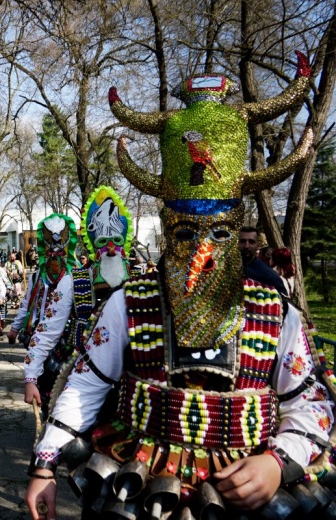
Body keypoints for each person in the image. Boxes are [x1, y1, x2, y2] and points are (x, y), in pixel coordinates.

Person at [27, 55, 328, 519]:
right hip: (140, 485)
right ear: (169, 232)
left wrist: (277, 462)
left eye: (221, 234)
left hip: (245, 496)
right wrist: (45, 464)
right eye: (186, 235)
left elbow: (309, 402)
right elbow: (87, 384)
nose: (202, 253)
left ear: (239, 232)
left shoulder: (275, 312)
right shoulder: (131, 304)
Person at [7, 214, 77, 414]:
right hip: (37, 338)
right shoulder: (37, 276)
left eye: (59, 249)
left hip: (66, 344)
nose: (54, 255)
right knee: (46, 393)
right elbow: (26, 305)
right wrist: (14, 328)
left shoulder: (75, 278)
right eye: (50, 249)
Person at [239, 226, 288, 296]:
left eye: (251, 242)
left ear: (258, 245)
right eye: (243, 241)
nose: (246, 246)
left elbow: (283, 304)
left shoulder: (269, 276)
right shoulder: (227, 270)